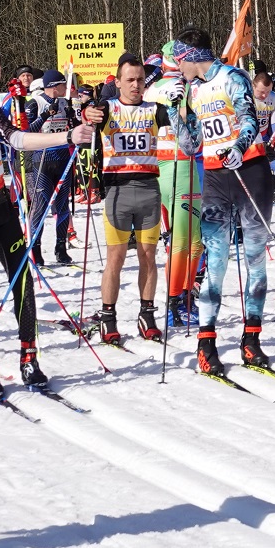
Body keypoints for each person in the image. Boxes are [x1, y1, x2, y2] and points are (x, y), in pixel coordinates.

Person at [0, 45, 96, 395]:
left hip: (0, 202)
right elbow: (16, 139)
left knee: (23, 280)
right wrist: (67, 136)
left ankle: (28, 358)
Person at [170, 28, 275, 376]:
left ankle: (252, 338)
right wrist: (175, 112)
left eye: (178, 60)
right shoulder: (193, 89)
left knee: (255, 257)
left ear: (191, 56)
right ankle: (206, 342)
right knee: (215, 259)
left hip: (250, 170)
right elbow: (190, 144)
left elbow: (250, 121)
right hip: (216, 177)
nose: (177, 67)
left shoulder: (232, 77)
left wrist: (238, 148)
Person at [82, 53, 170, 345]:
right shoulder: (108, 108)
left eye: (140, 80)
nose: (135, 85)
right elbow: (91, 115)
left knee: (149, 256)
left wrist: (184, 111)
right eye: (129, 80)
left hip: (148, 189)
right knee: (116, 259)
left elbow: (178, 133)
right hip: (117, 191)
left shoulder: (156, 110)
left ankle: (147, 315)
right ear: (118, 82)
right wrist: (87, 114)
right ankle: (108, 317)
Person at [146, 46, 201, 327]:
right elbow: (195, 134)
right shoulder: (186, 87)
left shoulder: (151, 88)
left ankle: (180, 298)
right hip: (181, 166)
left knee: (185, 241)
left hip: (158, 168)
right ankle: (177, 301)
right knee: (188, 243)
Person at [24, 68, 76, 264]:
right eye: (64, 84)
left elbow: (73, 127)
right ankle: (35, 250)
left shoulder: (64, 102)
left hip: (63, 158)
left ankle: (61, 248)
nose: (67, 88)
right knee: (40, 206)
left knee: (63, 206)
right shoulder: (35, 102)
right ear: (54, 86)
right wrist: (45, 115)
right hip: (42, 159)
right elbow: (27, 132)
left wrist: (73, 119)